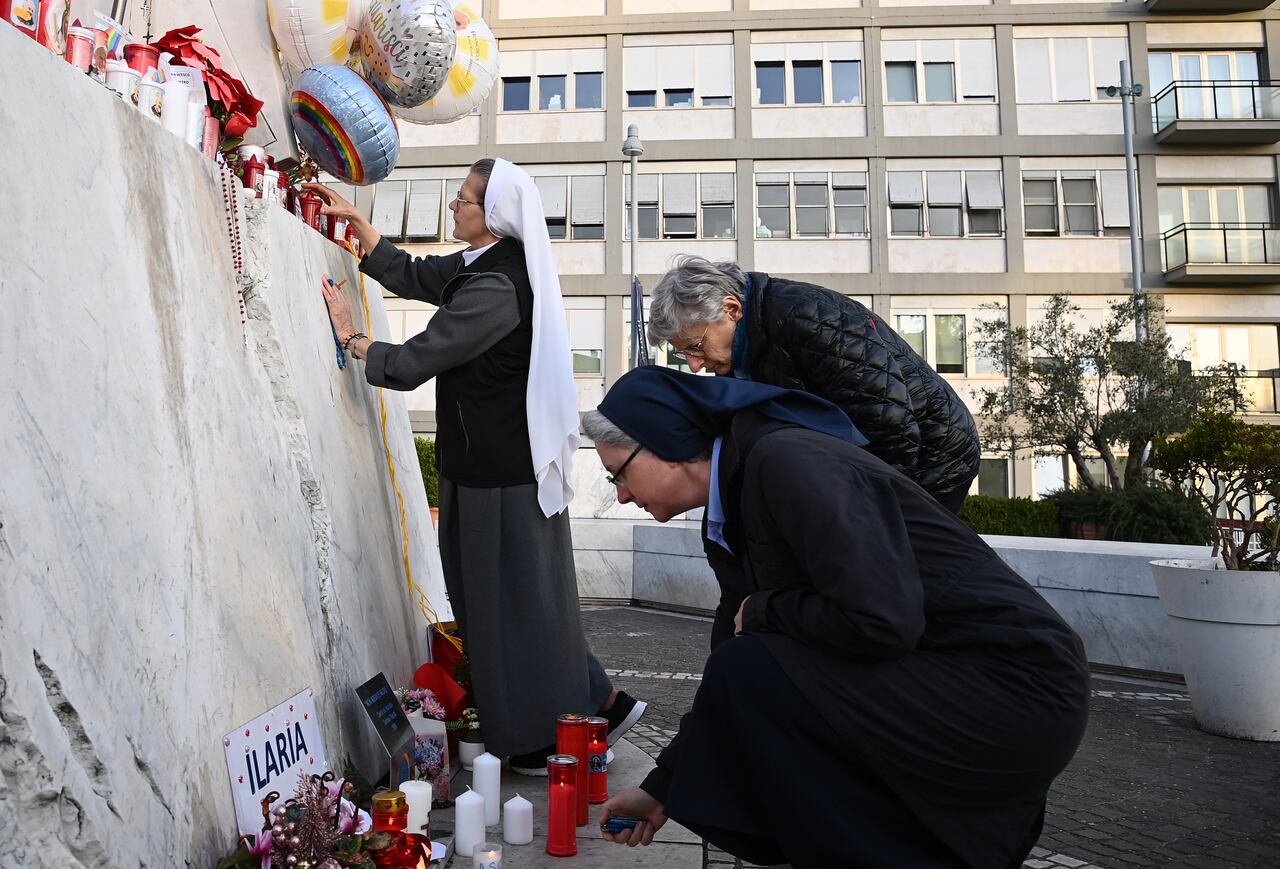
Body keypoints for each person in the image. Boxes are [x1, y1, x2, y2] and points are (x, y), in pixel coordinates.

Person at [584, 366, 1090, 868]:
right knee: (746, 671)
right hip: (951, 677)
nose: (622, 493)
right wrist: (662, 788)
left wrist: (764, 609)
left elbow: (882, 620)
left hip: (1015, 685)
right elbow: (729, 673)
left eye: (619, 473)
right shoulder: (731, 511)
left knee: (752, 669)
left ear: (664, 440)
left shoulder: (788, 461)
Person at [307, 160, 645, 774]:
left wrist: (355, 341)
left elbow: (416, 360)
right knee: (530, 603)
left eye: (463, 200)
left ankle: (541, 739)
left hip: (499, 476)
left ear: (492, 215)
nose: (454, 209)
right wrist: (361, 229)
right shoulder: (481, 267)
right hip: (490, 468)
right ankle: (600, 703)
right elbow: (417, 274)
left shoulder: (496, 287)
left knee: (503, 609)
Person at [647, 256, 980, 513]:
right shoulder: (745, 345)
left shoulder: (809, 317)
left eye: (696, 346)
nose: (695, 364)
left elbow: (890, 425)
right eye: (684, 354)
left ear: (731, 310)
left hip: (935, 451)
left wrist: (869, 511)